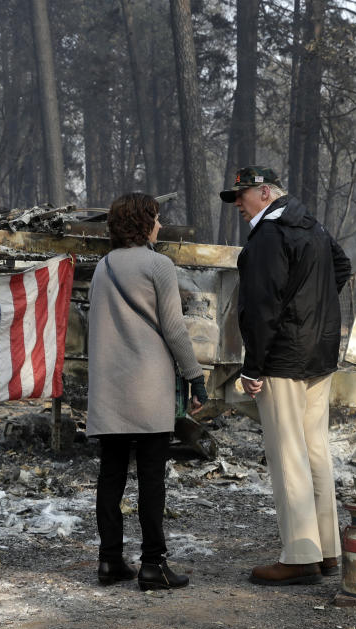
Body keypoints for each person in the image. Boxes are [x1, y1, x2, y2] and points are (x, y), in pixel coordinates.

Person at [219, 166, 352, 586]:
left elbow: (262, 309)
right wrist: (313, 313)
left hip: (282, 359)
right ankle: (327, 550)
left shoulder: (268, 236)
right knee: (314, 450)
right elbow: (341, 266)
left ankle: (298, 555)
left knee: (287, 454)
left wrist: (253, 367)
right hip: (319, 353)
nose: (238, 204)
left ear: (264, 193)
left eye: (241, 196)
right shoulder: (310, 224)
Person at [87, 192, 209, 591]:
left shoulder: (103, 267)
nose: (160, 225)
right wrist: (195, 376)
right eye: (155, 218)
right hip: (149, 386)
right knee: (151, 478)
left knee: (111, 477)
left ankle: (109, 562)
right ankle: (153, 565)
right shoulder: (159, 265)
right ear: (143, 223)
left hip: (109, 389)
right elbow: (173, 328)